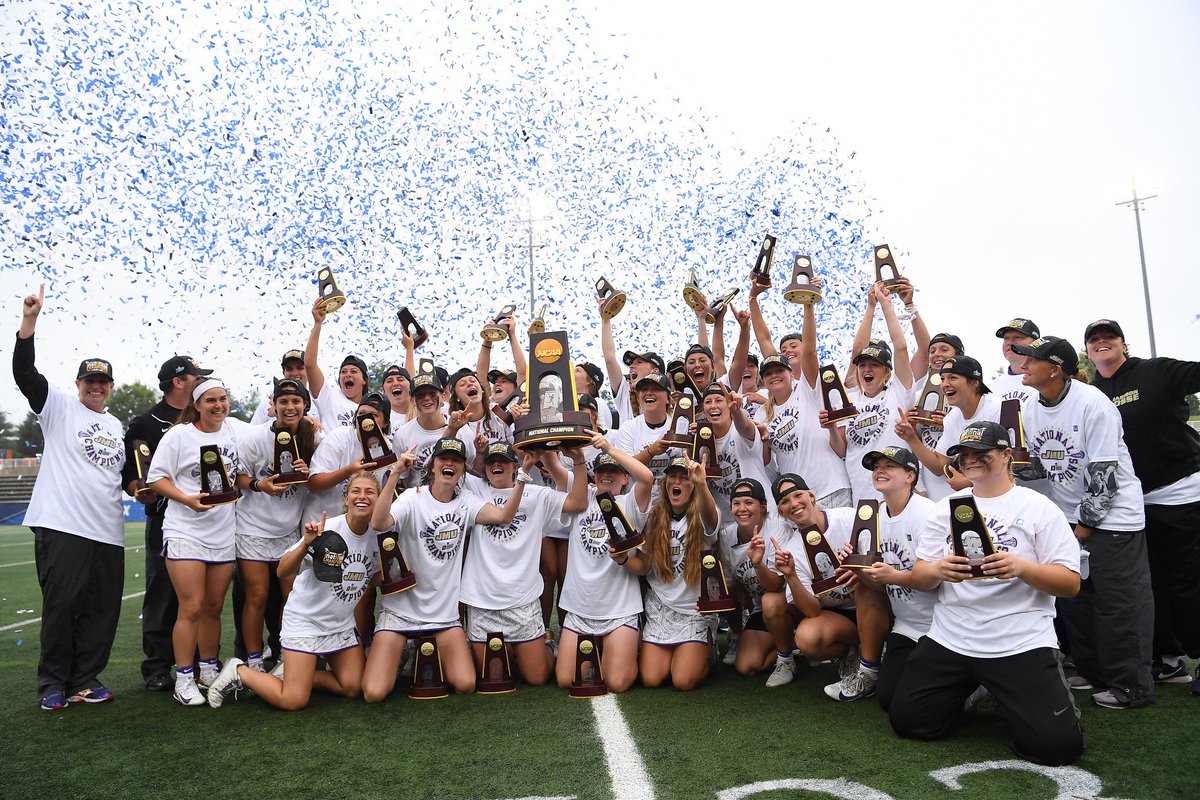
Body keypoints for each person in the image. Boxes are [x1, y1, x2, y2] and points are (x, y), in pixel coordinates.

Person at [888, 421, 1086, 766]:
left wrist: (1021, 568)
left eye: (981, 453)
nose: (970, 460)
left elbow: (1071, 584)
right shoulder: (946, 507)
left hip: (1018, 639)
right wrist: (937, 570)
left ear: (1007, 455)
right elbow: (920, 576)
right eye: (964, 454)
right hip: (953, 637)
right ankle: (979, 687)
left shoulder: (1038, 507)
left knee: (1056, 749)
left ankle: (1012, 692)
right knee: (910, 722)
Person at [1013, 335, 1154, 709]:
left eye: (1031, 359)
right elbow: (1043, 467)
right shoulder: (1030, 406)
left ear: (1055, 369)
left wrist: (1081, 529)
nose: (1022, 364)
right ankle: (1094, 672)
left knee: (1119, 604)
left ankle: (1132, 687)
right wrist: (1007, 467)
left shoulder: (1095, 405)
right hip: (1070, 518)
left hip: (1113, 519)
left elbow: (1104, 476)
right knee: (1077, 600)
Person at [14, 285, 126, 710]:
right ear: (78, 383)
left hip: (108, 529)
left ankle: (84, 678)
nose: (95, 387)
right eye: (89, 380)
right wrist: (30, 322)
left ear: (110, 386)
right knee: (61, 606)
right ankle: (53, 684)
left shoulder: (116, 426)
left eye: (102, 381)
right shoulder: (58, 407)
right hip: (63, 524)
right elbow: (25, 375)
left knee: (102, 610)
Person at [362, 438, 528, 700]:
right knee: (374, 693)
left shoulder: (466, 501)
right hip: (400, 610)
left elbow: (503, 516)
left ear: (462, 470)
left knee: (465, 684)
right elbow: (379, 523)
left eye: (456, 460)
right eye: (443, 459)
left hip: (443, 614)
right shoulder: (412, 497)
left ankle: (425, 652)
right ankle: (412, 652)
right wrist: (394, 473)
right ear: (433, 465)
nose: (449, 463)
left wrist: (523, 478)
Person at [1086, 318, 1200, 692]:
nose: (1102, 343)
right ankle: (1166, 659)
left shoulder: (1156, 370)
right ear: (1086, 351)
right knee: (1149, 586)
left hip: (1181, 491)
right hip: (1131, 505)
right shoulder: (1091, 392)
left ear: (1123, 343)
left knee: (1188, 582)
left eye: (1109, 338)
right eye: (1094, 340)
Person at [207, 473, 382, 710]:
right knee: (293, 700)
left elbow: (373, 578)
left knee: (352, 686)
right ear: (346, 498)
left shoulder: (379, 537)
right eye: (356, 491)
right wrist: (307, 544)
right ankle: (240, 671)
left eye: (370, 492)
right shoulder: (327, 529)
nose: (362, 497)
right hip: (306, 621)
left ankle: (289, 676)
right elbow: (282, 570)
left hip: (339, 624)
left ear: (379, 498)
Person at [145, 378, 243, 706]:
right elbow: (155, 478)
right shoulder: (179, 435)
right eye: (211, 400)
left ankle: (208, 670)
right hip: (185, 529)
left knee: (214, 608)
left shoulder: (234, 429)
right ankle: (184, 679)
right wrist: (187, 499)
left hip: (222, 532)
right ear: (197, 405)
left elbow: (270, 428)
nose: (219, 405)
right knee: (192, 606)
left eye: (223, 398)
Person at [122, 354, 213, 692]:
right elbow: (132, 475)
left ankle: (205, 663)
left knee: (204, 598)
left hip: (208, 519)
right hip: (165, 519)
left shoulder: (205, 414)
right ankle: (158, 667)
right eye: (195, 377)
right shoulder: (146, 422)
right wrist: (138, 489)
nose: (200, 382)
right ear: (178, 381)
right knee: (163, 593)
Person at [461, 443, 588, 685]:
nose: (496, 465)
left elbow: (578, 503)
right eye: (491, 462)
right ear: (484, 468)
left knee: (537, 677)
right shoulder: (474, 490)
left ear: (514, 466)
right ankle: (520, 648)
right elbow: (444, 466)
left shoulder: (536, 494)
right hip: (482, 600)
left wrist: (579, 461)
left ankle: (545, 645)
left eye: (503, 461)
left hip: (522, 600)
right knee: (494, 675)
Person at [233, 379, 319, 672]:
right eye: (284, 402)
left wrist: (309, 473)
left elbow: (321, 476)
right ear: (275, 405)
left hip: (289, 531)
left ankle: (287, 655)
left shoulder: (313, 438)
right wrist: (260, 485)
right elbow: (237, 477)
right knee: (256, 596)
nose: (290, 407)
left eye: (296, 402)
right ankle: (254, 661)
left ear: (305, 405)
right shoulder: (254, 437)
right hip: (253, 527)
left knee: (291, 596)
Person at [843, 447, 937, 707]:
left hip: (942, 625)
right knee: (888, 698)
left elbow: (934, 581)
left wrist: (893, 576)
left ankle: (976, 686)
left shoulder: (928, 513)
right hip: (906, 625)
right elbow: (877, 584)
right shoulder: (871, 515)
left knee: (920, 700)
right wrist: (857, 567)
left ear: (910, 476)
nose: (879, 470)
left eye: (889, 466)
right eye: (876, 467)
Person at [556, 445, 654, 693]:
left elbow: (647, 478)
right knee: (566, 680)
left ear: (625, 478)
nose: (606, 476)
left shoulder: (629, 503)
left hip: (620, 608)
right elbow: (554, 468)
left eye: (614, 471)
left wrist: (609, 448)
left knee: (616, 683)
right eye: (601, 471)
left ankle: (625, 650)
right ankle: (606, 649)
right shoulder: (582, 497)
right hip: (581, 607)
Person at [622, 455, 720, 691]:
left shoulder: (704, 512)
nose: (677, 481)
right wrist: (623, 559)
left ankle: (708, 648)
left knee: (682, 680)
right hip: (661, 606)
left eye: (683, 478)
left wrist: (701, 484)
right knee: (651, 679)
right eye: (672, 477)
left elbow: (711, 520)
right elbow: (644, 566)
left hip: (693, 608)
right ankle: (684, 651)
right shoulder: (655, 516)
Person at [757, 474, 859, 689]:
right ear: (781, 511)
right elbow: (812, 610)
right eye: (785, 501)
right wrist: (791, 575)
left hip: (871, 603)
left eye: (798, 495)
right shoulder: (793, 548)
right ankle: (852, 652)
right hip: (836, 615)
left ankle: (872, 660)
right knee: (807, 639)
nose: (794, 504)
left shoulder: (848, 518)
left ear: (811, 496)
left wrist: (860, 568)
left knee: (867, 585)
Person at [896, 355, 1000, 499]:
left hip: (1001, 497)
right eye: (943, 379)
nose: (945, 384)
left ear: (975, 382)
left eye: (953, 378)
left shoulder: (998, 409)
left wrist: (971, 483)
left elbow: (1010, 461)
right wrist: (911, 438)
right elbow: (939, 465)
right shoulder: (953, 418)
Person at [720, 479, 776, 675]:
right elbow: (730, 587)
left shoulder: (777, 529)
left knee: (771, 600)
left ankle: (787, 655)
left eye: (748, 502)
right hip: (762, 608)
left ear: (763, 507)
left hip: (790, 605)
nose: (742, 509)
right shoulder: (726, 536)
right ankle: (789, 645)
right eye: (736, 503)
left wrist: (759, 563)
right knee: (746, 667)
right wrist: (738, 630)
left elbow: (778, 587)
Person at [305, 299, 368, 427]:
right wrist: (318, 323)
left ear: (364, 380)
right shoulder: (330, 397)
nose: (347, 375)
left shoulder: (372, 407)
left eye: (354, 371)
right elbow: (310, 365)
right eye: (343, 372)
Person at [992, 318, 1041, 403]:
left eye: (1017, 337)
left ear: (1035, 342)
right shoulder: (991, 388)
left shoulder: (1048, 382)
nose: (1009, 342)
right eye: (1006, 338)